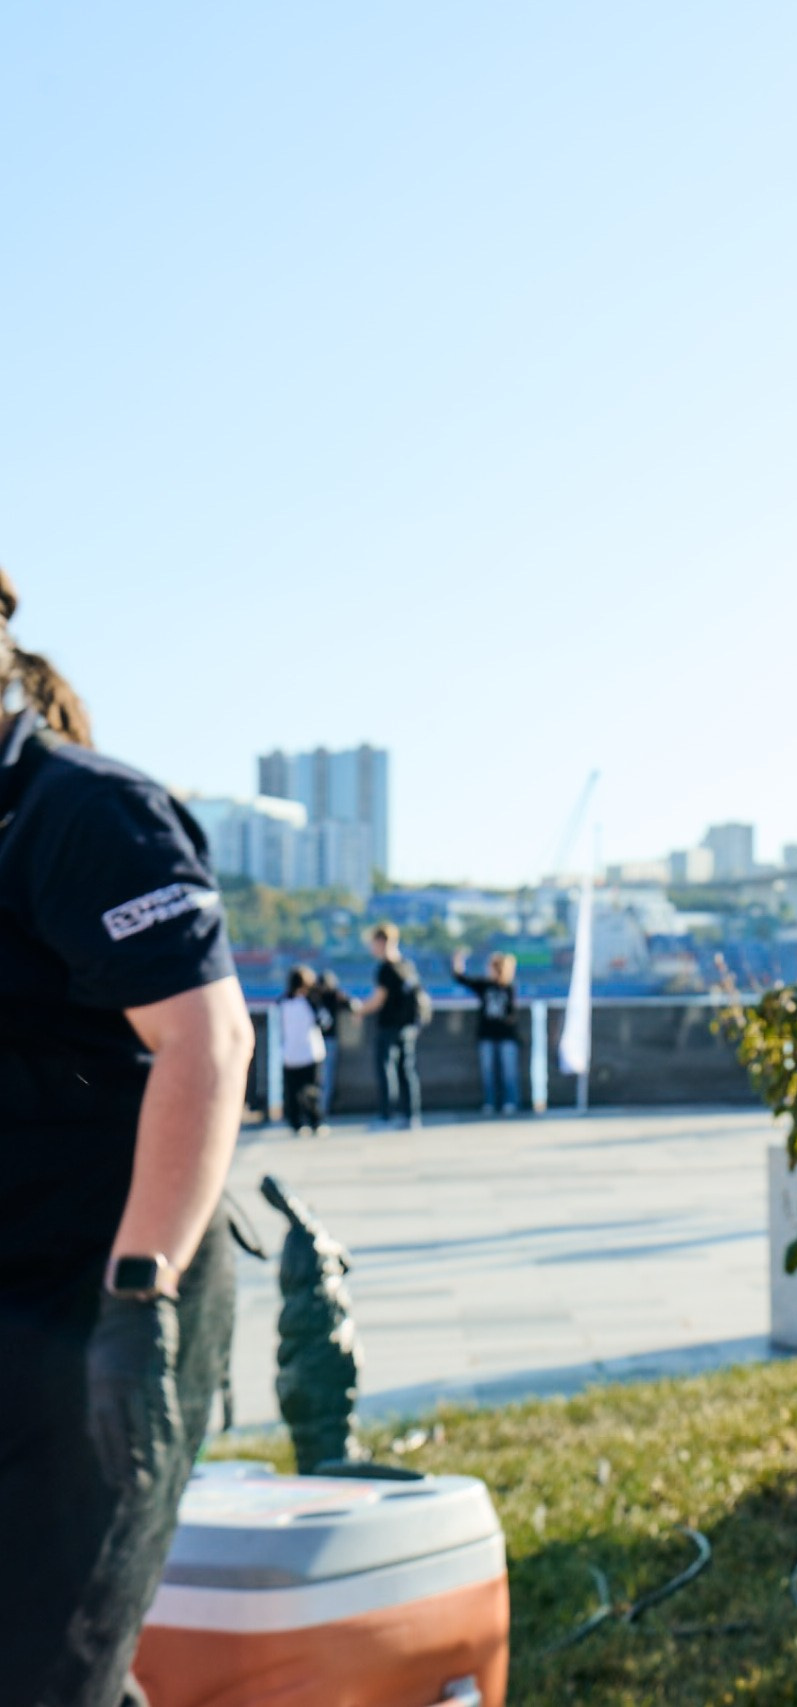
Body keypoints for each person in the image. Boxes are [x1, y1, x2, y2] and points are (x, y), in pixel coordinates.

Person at [0, 567, 256, 1707]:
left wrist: (137, 1307)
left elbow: (209, 1049)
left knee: (51, 1668)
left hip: (103, 1301)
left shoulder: (81, 813)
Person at [353, 922, 425, 1128]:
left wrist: (360, 1010)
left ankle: (387, 1115)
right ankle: (411, 1115)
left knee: (386, 1070)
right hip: (408, 1026)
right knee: (407, 1070)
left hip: (389, 1026)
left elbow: (378, 1000)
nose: (371, 948)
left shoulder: (386, 969)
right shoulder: (407, 966)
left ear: (382, 942)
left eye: (373, 943)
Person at [450, 949, 522, 1114]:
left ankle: (510, 1102)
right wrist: (457, 962)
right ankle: (490, 1103)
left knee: (509, 1072)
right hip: (487, 1035)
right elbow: (461, 978)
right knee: (488, 1072)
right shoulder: (484, 985)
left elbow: (512, 1013)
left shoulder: (509, 988)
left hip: (506, 1036)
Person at [276, 966, 328, 1134]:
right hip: (311, 1053)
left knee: (293, 1093)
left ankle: (296, 1123)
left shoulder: (282, 1002)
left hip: (290, 1055)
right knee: (313, 1090)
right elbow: (324, 1021)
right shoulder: (310, 1002)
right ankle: (315, 1121)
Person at [307, 968, 352, 1118]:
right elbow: (351, 1005)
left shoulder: (312, 997)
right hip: (327, 1040)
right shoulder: (334, 995)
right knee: (326, 1077)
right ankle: (321, 1109)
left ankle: (317, 1109)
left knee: (316, 1077)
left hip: (314, 1040)